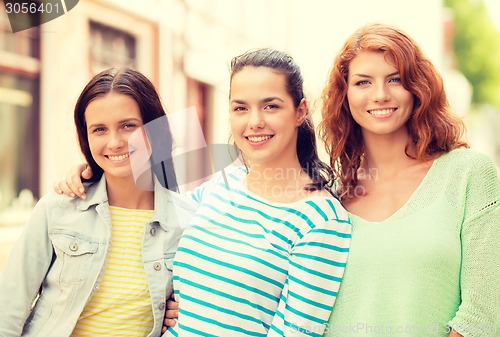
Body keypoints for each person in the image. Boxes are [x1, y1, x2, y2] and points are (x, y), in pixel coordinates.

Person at [54, 48, 352, 336]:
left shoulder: (321, 219)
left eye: (270, 106)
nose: (254, 122)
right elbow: (148, 212)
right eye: (240, 108)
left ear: (300, 111)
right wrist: (94, 172)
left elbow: (295, 332)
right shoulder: (221, 185)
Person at [318, 23, 500, 337]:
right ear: (345, 96)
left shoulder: (469, 175)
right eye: (363, 82)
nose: (380, 94)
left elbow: (482, 317)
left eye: (395, 79)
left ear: (417, 87)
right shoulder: (328, 200)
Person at [0, 67, 195, 336]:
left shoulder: (189, 222)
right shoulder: (57, 209)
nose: (114, 142)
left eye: (128, 126)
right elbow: (8, 309)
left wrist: (180, 312)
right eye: (99, 129)